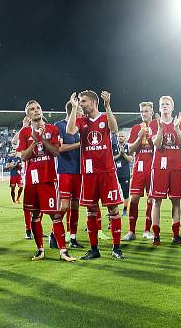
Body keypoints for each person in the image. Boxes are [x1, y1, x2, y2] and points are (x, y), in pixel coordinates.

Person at [66, 90, 125, 259]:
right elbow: (70, 131)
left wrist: (107, 106)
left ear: (93, 102)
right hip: (89, 173)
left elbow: (114, 129)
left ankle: (116, 248)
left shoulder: (104, 117)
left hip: (107, 171)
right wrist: (74, 108)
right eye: (81, 101)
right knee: (91, 210)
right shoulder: (81, 120)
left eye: (83, 101)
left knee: (113, 209)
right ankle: (94, 249)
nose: (82, 104)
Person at [17, 100, 76, 262]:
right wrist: (35, 141)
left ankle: (63, 251)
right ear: (28, 115)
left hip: (48, 179)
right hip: (31, 181)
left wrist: (42, 140)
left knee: (56, 215)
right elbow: (23, 156)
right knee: (35, 215)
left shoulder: (52, 129)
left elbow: (56, 151)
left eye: (38, 108)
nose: (36, 111)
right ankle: (40, 250)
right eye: (32, 109)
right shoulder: (24, 133)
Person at [150, 96, 181, 245]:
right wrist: (160, 128)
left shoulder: (179, 122)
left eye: (167, 104)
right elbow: (157, 144)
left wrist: (177, 128)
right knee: (156, 201)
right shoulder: (155, 124)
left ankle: (176, 235)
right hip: (159, 167)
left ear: (172, 108)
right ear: (159, 108)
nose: (164, 106)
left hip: (176, 167)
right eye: (162, 104)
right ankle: (156, 236)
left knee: (176, 201)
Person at [123, 101, 156, 241]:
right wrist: (139, 136)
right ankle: (131, 231)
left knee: (151, 199)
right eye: (142, 111)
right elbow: (129, 150)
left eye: (146, 111)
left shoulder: (157, 126)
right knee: (134, 198)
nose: (144, 113)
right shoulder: (136, 128)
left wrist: (152, 137)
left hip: (154, 167)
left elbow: (160, 147)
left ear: (152, 112)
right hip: (139, 167)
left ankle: (147, 230)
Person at [54, 99, 84, 248]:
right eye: (80, 111)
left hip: (79, 171)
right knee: (64, 206)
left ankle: (72, 238)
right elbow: (59, 148)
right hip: (64, 171)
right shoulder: (59, 126)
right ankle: (55, 232)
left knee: (75, 206)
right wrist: (80, 144)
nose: (82, 113)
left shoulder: (80, 128)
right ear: (72, 111)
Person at [113, 131, 133, 218]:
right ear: (117, 138)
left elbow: (130, 159)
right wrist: (119, 155)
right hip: (114, 173)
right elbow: (110, 159)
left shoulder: (128, 146)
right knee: (113, 193)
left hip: (125, 173)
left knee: (125, 193)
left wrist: (123, 154)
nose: (120, 137)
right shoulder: (113, 146)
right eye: (119, 136)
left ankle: (125, 210)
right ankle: (113, 210)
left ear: (125, 138)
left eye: (122, 136)